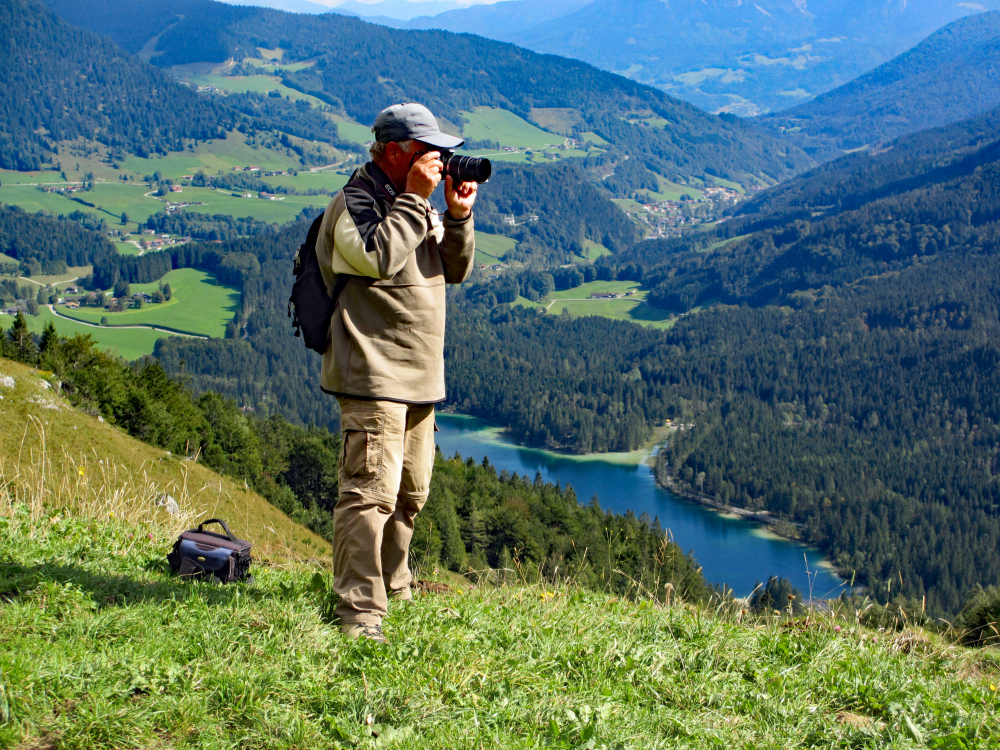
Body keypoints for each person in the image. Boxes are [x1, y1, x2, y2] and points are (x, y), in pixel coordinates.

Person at [315, 103, 477, 643]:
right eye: (427, 151)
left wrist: (456, 217)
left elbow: (452, 271)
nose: (439, 160)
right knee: (368, 495)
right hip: (373, 372)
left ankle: (395, 585)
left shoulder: (417, 204)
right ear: (392, 152)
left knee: (410, 494)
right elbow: (376, 259)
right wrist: (416, 198)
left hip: (421, 376)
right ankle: (360, 613)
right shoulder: (354, 205)